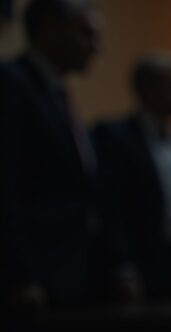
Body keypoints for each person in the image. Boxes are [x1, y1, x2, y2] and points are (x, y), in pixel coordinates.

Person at [0, 0, 135, 308]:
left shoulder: (55, 91)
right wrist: (19, 274)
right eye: (86, 33)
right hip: (35, 273)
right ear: (49, 29)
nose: (97, 46)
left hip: (71, 270)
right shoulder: (12, 83)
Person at [92, 54, 171, 301]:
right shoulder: (114, 137)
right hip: (141, 264)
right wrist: (122, 264)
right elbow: (110, 206)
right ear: (146, 90)